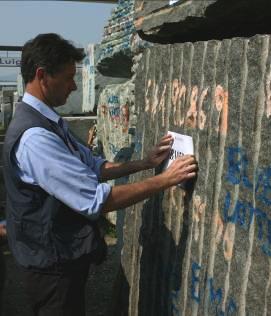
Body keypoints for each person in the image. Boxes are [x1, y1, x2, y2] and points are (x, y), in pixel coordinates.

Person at [2, 33, 197, 316]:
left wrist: (144, 163)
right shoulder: (35, 138)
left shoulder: (50, 122)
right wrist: (166, 180)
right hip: (51, 267)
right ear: (42, 76)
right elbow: (96, 200)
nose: (73, 86)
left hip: (60, 255)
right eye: (69, 78)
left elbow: (91, 167)